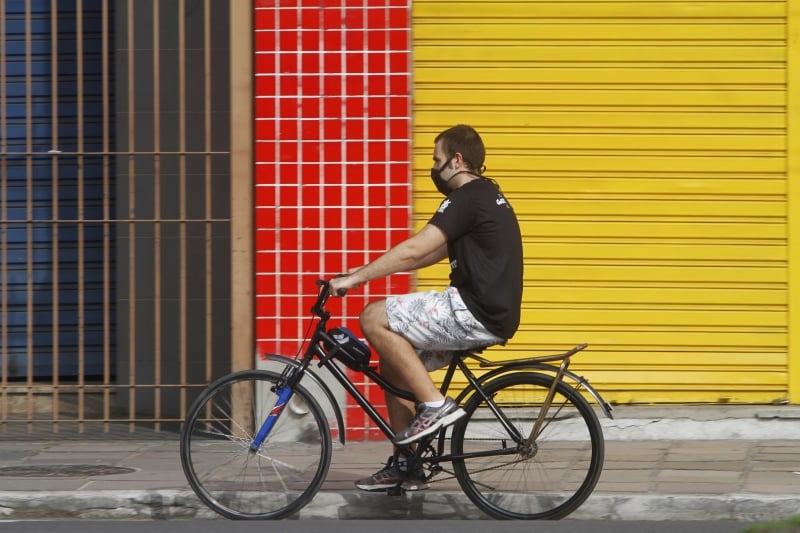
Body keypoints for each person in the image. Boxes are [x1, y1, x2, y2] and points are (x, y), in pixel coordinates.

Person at [329, 124, 523, 491]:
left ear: (457, 159)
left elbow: (416, 248)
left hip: (472, 310)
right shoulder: (486, 195)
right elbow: (429, 255)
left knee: (372, 316)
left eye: (437, 160)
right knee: (393, 363)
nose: (434, 169)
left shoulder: (466, 197)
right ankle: (408, 465)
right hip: (486, 312)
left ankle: (434, 405)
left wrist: (355, 282)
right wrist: (361, 272)